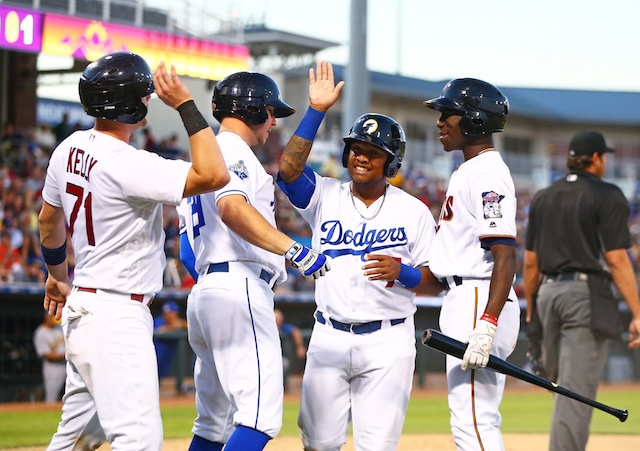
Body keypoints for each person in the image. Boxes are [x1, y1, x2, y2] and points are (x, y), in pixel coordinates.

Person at [38, 51, 229, 450]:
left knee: (76, 440)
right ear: (131, 104)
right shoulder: (130, 164)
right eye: (143, 94)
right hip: (116, 315)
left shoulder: (67, 148)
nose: (148, 100)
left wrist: (57, 276)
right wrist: (185, 105)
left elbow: (47, 221)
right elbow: (214, 173)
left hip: (85, 307)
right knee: (139, 439)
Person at [277, 61, 440, 451]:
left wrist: (405, 273)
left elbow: (436, 279)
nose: (361, 158)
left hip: (388, 340)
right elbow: (287, 170)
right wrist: (316, 111)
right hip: (328, 335)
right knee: (317, 444)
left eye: (373, 152)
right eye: (356, 149)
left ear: (392, 162)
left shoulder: (413, 210)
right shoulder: (324, 195)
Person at [178, 68, 332, 451]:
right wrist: (293, 249)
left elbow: (185, 251)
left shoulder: (202, 159)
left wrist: (213, 282)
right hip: (238, 286)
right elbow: (232, 208)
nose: (273, 122)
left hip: (206, 291)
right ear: (255, 110)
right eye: (271, 112)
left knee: (213, 424)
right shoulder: (233, 152)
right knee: (259, 419)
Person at [523, 130, 640, 451]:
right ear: (597, 158)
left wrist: (532, 311)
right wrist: (638, 313)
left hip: (547, 294)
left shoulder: (543, 196)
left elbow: (531, 264)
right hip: (584, 296)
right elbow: (617, 259)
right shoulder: (607, 194)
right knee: (576, 391)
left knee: (563, 386)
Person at [423, 78, 521, 451]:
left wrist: (487, 324)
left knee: (474, 419)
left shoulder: (485, 174)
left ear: (474, 120)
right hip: (467, 296)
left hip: (480, 298)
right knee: (470, 417)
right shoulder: (471, 169)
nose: (441, 121)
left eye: (449, 113)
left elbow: (505, 253)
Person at [33, 313, 66, 403]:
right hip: (53, 367)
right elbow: (46, 355)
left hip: (67, 364)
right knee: (52, 395)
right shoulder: (40, 333)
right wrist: (67, 355)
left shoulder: (59, 327)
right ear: (46, 317)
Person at [153, 300, 188, 380]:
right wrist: (174, 327)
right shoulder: (159, 321)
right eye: (167, 313)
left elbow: (190, 327)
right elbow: (160, 330)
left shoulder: (179, 322)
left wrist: (180, 325)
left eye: (171, 312)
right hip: (155, 357)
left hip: (166, 360)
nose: (169, 315)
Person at [274, 308, 306, 392]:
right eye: (277, 320)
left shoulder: (283, 327)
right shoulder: (266, 328)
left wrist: (300, 346)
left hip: (280, 358)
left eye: (280, 320)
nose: (278, 323)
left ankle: (281, 389)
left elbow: (295, 331)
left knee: (283, 363)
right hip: (266, 358)